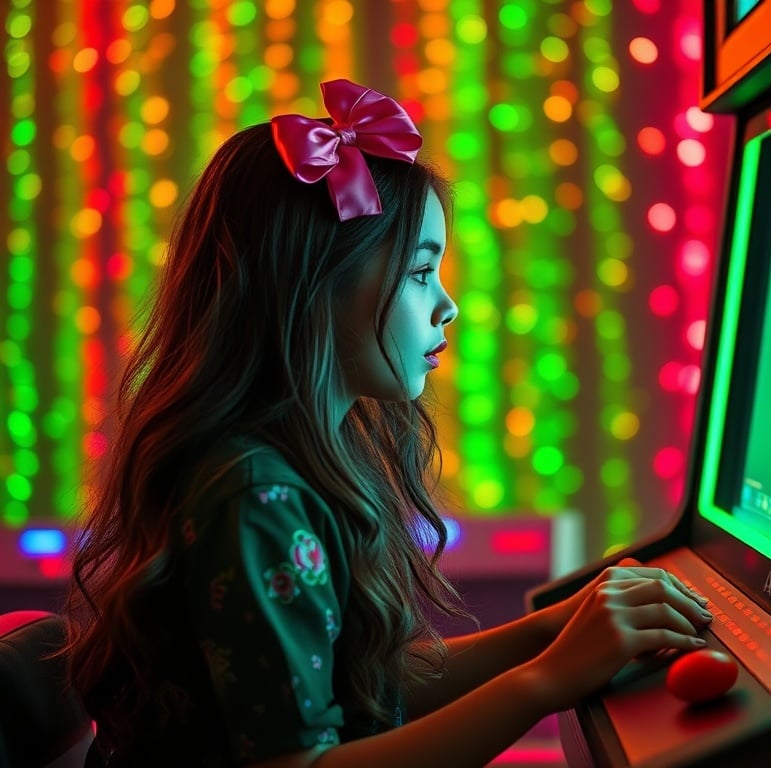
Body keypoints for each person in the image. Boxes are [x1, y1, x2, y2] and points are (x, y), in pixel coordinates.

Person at [60, 78, 713, 768]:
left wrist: (553, 630)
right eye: (420, 272)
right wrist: (548, 680)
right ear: (314, 284)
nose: (448, 306)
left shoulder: (296, 459)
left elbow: (360, 681)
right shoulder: (254, 495)